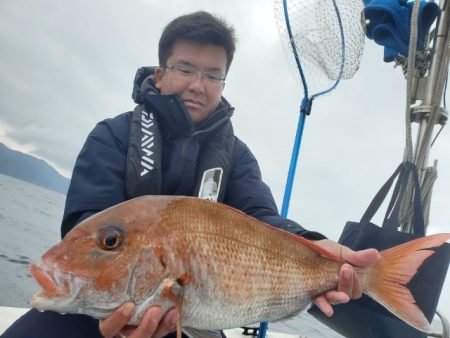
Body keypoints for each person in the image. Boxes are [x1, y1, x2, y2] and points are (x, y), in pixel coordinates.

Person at [2, 11, 378, 338]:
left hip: (192, 321)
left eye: (213, 75)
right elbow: (86, 224)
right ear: (161, 73)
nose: (198, 84)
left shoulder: (238, 157)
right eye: (185, 69)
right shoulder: (112, 136)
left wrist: (314, 245)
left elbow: (265, 224)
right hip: (97, 315)